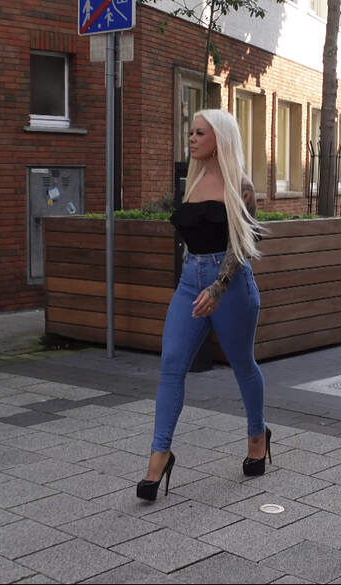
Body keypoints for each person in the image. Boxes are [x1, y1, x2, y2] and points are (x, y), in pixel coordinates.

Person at [137, 109, 270, 502]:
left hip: (230, 285)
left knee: (242, 365)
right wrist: (194, 280)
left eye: (199, 133)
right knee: (170, 363)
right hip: (190, 282)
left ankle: (257, 435)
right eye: (191, 132)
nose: (191, 139)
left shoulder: (241, 185)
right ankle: (159, 457)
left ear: (220, 138)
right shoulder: (192, 182)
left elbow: (243, 244)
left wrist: (218, 287)